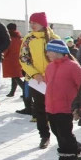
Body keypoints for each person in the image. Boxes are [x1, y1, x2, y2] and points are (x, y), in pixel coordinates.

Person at [19, 12, 60, 148]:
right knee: (39, 109)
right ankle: (44, 136)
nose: (32, 25)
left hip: (53, 80)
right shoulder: (28, 39)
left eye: (34, 22)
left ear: (43, 23)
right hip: (36, 81)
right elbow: (23, 58)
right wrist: (35, 74)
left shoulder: (54, 38)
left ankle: (61, 135)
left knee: (55, 109)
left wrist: (49, 75)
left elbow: (61, 58)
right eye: (31, 22)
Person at [44, 40, 81, 160]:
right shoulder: (50, 66)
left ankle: (74, 156)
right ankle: (65, 155)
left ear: (58, 52)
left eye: (49, 51)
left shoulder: (72, 66)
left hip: (66, 107)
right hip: (51, 106)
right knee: (56, 131)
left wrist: (78, 105)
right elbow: (48, 83)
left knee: (65, 133)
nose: (47, 53)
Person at [2, 23, 24, 98]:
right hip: (18, 59)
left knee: (15, 76)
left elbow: (5, 50)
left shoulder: (9, 39)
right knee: (15, 76)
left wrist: (1, 56)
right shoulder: (19, 38)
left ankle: (24, 90)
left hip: (10, 60)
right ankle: (12, 92)